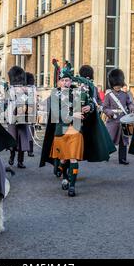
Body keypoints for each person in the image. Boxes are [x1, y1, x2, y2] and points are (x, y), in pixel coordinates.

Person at [40, 61, 116, 197]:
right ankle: (64, 177)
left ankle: (72, 186)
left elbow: (91, 103)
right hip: (61, 132)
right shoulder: (54, 95)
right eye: (62, 80)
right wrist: (72, 115)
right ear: (59, 82)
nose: (65, 83)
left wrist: (90, 108)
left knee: (73, 158)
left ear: (71, 81)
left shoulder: (78, 93)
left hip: (76, 131)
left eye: (67, 80)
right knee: (63, 159)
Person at [103, 69, 134, 165]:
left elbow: (129, 103)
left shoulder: (124, 94)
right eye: (115, 85)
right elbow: (105, 108)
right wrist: (110, 113)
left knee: (123, 141)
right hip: (113, 120)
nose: (117, 87)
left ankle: (122, 159)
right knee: (110, 139)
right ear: (112, 84)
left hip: (123, 119)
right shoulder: (109, 96)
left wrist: (132, 108)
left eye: (118, 85)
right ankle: (106, 155)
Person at [6, 66, 33, 169]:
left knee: (22, 141)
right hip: (12, 119)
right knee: (12, 140)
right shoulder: (10, 90)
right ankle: (12, 156)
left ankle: (20, 161)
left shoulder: (25, 90)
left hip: (23, 120)